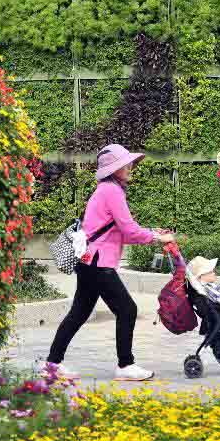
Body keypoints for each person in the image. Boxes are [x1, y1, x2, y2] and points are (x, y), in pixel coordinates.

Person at [46, 144, 176, 382]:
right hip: (98, 264)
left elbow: (123, 232)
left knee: (79, 312)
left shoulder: (107, 190)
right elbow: (128, 229)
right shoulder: (112, 192)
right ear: (113, 169)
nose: (130, 167)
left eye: (129, 163)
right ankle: (125, 365)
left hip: (90, 262)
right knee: (127, 309)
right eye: (124, 164)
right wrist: (158, 237)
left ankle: (52, 364)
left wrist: (150, 233)